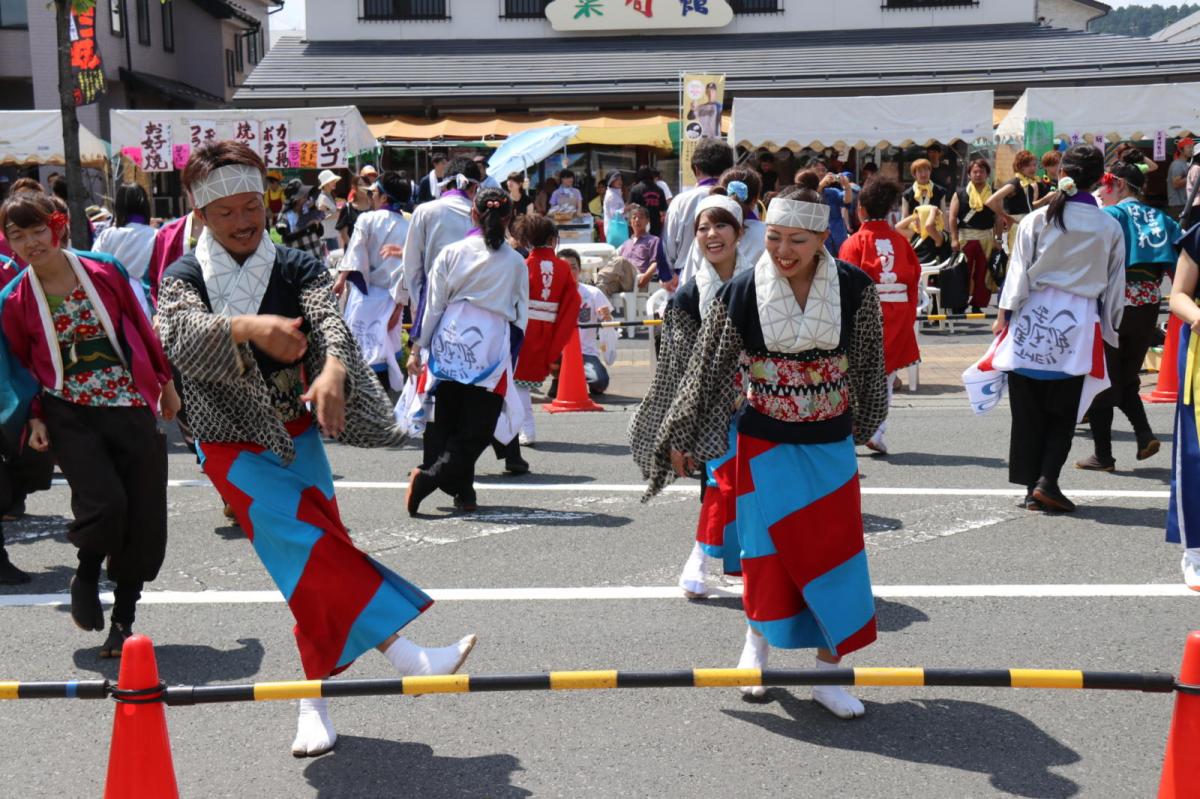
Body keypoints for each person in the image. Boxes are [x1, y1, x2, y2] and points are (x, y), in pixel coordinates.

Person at [155, 140, 475, 757]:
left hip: (296, 434)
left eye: (254, 205)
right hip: (229, 443)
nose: (244, 220)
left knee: (313, 563)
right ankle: (406, 657)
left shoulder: (293, 263)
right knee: (307, 551)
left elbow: (327, 319)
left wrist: (331, 368)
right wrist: (247, 328)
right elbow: (178, 335)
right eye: (227, 213)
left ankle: (313, 700)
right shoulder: (185, 276)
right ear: (200, 215)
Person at [638, 184, 887, 717]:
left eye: (798, 239)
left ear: (824, 237)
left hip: (829, 443)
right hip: (763, 441)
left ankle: (830, 673)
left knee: (837, 561)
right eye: (773, 238)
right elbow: (707, 371)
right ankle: (755, 648)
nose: (783, 251)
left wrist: (866, 421)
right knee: (765, 558)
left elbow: (868, 363)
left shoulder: (855, 288)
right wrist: (682, 434)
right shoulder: (744, 290)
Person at [0, 192, 179, 655]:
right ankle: (85, 571)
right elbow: (21, 366)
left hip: (127, 404)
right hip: (68, 412)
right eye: (17, 236)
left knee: (142, 513)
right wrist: (35, 417)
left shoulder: (103, 270)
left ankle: (123, 620)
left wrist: (165, 382)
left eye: (38, 230)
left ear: (56, 225)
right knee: (105, 502)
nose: (30, 243)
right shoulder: (14, 298)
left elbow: (141, 326)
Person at [631, 192, 754, 598]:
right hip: (712, 409)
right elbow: (675, 371)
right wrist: (679, 432)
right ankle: (699, 559)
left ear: (739, 231)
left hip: (766, 403)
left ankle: (757, 566)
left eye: (721, 225)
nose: (712, 235)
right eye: (703, 228)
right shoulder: (686, 296)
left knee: (761, 489)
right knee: (723, 484)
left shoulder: (763, 281)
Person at [992, 144, 1125, 513]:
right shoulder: (1109, 225)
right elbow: (1115, 284)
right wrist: (1111, 329)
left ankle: (1031, 486)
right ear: (1100, 179)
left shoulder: (1038, 219)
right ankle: (1047, 480)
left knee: (1028, 409)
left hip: (1032, 316)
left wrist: (1004, 315)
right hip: (1078, 322)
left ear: (1060, 172)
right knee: (1064, 410)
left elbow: (1017, 273)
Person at [405, 188, 529, 515]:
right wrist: (512, 355)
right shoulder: (516, 262)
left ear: (472, 214)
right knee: (478, 426)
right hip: (489, 344)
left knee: (446, 417)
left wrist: (418, 347)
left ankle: (455, 485)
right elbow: (521, 315)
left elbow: (432, 305)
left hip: (450, 336)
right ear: (509, 219)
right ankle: (443, 482)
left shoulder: (452, 252)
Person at [1076, 152, 1181, 472]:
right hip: (1148, 307)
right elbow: (1180, 264)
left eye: (1108, 184)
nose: (1104, 190)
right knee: (1124, 377)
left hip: (1114, 306)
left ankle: (1104, 455)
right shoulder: (1163, 219)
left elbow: (1090, 260)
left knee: (1103, 379)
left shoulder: (1111, 216)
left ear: (1119, 184)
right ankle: (1143, 434)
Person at [839, 178, 921, 455]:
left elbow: (846, 284)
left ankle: (853, 427)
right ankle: (877, 429)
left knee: (854, 376)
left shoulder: (854, 243)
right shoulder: (901, 241)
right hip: (897, 313)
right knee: (885, 377)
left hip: (865, 314)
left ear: (860, 208)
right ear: (889, 210)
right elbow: (914, 279)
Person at [507, 215, 580, 458]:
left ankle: (525, 428)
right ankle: (520, 428)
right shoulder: (562, 267)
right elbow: (572, 302)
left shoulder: (522, 264)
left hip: (522, 327)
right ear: (552, 239)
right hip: (548, 328)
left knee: (517, 383)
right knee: (522, 384)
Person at [335, 170, 411, 390]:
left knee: (358, 354)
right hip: (391, 299)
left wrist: (341, 278)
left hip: (364, 296)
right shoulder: (408, 227)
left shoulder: (366, 219)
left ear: (384, 197)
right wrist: (399, 307)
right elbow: (409, 272)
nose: (371, 197)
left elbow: (355, 252)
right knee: (385, 354)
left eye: (374, 193)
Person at [398, 157, 480, 342]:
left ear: (444, 185)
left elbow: (411, 264)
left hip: (431, 300)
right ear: (475, 188)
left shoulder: (425, 211)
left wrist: (420, 304)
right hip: (474, 307)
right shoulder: (479, 213)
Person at [1167, 222, 1200, 589]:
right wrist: (1197, 317)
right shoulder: (1199, 235)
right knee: (1196, 452)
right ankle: (1196, 551)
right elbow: (1178, 295)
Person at [663, 139, 734, 272]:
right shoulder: (739, 200)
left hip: (688, 277)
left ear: (697, 169)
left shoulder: (680, 201)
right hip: (731, 280)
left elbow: (668, 249)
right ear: (729, 169)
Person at [93, 183, 158, 319]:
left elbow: (93, 265)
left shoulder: (107, 235)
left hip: (113, 301)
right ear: (145, 206)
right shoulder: (156, 235)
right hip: (148, 304)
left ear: (118, 207)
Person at [948, 158, 1000, 313]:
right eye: (975, 172)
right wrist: (954, 238)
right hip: (965, 238)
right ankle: (959, 303)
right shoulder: (960, 193)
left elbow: (998, 218)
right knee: (963, 273)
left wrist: (998, 239)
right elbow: (952, 217)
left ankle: (978, 304)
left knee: (983, 273)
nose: (978, 175)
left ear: (987, 174)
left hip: (986, 239)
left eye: (982, 172)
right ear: (969, 174)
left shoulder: (994, 194)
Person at [561, 248, 614, 395]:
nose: (570, 271)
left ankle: (584, 375)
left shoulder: (593, 293)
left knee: (600, 382)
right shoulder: (552, 294)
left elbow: (609, 324)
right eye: (565, 268)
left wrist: (606, 316)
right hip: (558, 351)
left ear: (580, 270)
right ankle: (558, 378)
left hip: (586, 353)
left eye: (573, 267)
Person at [597, 204, 672, 298]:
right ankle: (605, 311)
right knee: (601, 288)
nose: (637, 220)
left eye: (641, 217)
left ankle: (597, 278)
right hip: (623, 281)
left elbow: (656, 263)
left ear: (647, 221)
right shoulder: (626, 243)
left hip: (639, 279)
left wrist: (645, 277)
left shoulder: (653, 240)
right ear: (630, 222)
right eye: (634, 217)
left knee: (620, 261)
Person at [988, 150, 1041, 255]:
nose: (1032, 168)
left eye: (1034, 165)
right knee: (1015, 257)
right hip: (1017, 225)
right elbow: (991, 201)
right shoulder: (1014, 183)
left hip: (1028, 224)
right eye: (1028, 165)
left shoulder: (1029, 184)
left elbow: (1029, 206)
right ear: (1020, 166)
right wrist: (1006, 216)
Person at [276, 179, 326, 263]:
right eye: (304, 196)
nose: (307, 198)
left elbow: (320, 233)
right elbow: (286, 237)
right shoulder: (286, 215)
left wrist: (317, 226)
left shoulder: (308, 210)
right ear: (296, 199)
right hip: (300, 264)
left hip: (317, 259)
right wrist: (307, 229)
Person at [629, 166, 668, 237]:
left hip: (639, 225)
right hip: (655, 226)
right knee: (654, 246)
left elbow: (630, 209)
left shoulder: (635, 190)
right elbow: (663, 210)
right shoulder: (659, 190)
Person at [336, 175, 373, 250]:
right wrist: (355, 250)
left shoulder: (374, 206)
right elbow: (344, 234)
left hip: (371, 251)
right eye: (360, 185)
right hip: (354, 252)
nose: (364, 187)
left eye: (366, 184)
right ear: (354, 187)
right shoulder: (347, 208)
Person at [1167, 139, 1195, 222]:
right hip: (1178, 206)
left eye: (1192, 147)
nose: (1191, 149)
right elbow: (1176, 183)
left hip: (1185, 204)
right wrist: (1192, 176)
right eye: (1189, 147)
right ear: (1180, 150)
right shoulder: (1177, 164)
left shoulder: (1186, 163)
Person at [315, 170, 341, 254]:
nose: (334, 182)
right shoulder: (323, 198)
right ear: (325, 184)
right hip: (327, 237)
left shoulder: (328, 196)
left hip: (331, 235)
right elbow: (319, 217)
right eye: (331, 181)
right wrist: (336, 214)